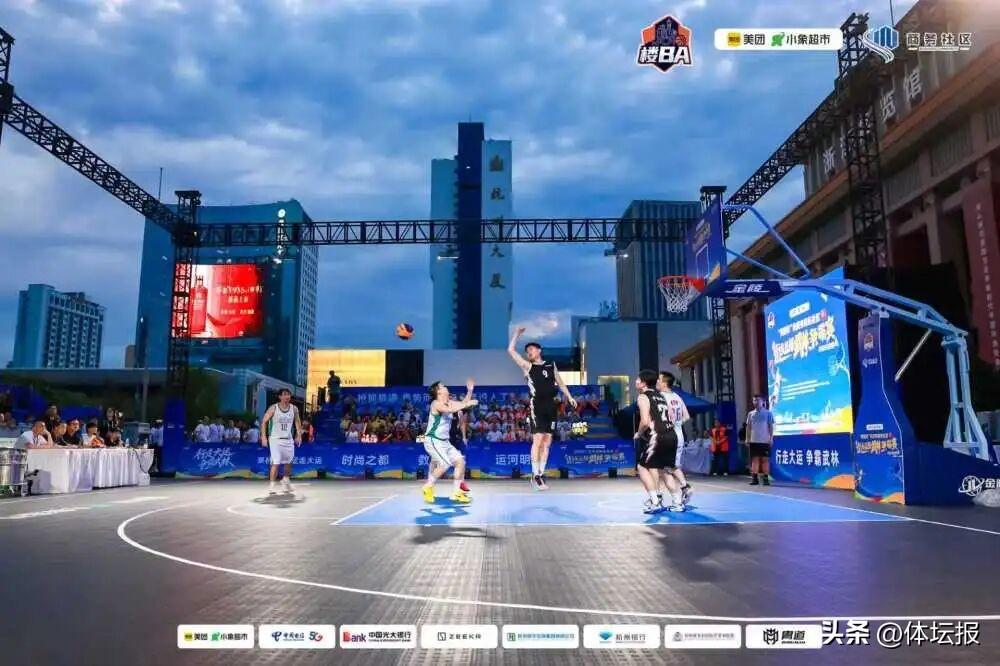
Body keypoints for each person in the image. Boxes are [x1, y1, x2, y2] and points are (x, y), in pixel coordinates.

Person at [508, 326, 577, 490]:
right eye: (527, 351)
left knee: (547, 442)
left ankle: (540, 474)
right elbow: (510, 351)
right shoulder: (528, 367)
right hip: (537, 405)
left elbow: (560, 383)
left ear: (539, 351)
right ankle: (535, 475)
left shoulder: (551, 366)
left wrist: (569, 397)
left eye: (531, 349)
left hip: (551, 406)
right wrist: (516, 334)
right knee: (537, 440)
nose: (529, 352)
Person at [420, 379, 477, 504]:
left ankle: (456, 493)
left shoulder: (449, 403)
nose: (446, 387)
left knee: (460, 462)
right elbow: (451, 410)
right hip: (433, 440)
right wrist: (468, 404)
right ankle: (428, 486)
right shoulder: (436, 404)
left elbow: (462, 404)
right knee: (444, 464)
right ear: (438, 392)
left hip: (445, 442)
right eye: (443, 386)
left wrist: (470, 391)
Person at [633, 370, 683, 513]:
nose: (636, 381)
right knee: (665, 469)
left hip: (658, 436)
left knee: (642, 467)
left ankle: (655, 501)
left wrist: (639, 433)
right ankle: (677, 502)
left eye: (638, 379)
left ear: (643, 383)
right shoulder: (660, 396)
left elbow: (644, 421)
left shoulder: (643, 396)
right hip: (671, 435)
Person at [658, 371, 694, 506]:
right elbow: (686, 416)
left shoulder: (661, 397)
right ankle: (684, 487)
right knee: (672, 466)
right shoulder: (677, 397)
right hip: (679, 435)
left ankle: (669, 498)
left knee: (662, 468)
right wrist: (677, 423)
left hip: (668, 436)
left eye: (659, 380)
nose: (657, 382)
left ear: (664, 383)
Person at [260, 388, 302, 495]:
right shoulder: (273, 408)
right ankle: (272, 485)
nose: (287, 396)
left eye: (288, 394)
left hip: (288, 439)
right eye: (285, 394)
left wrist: (299, 435)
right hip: (275, 439)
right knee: (276, 462)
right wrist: (264, 437)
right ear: (280, 397)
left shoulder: (294, 408)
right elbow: (264, 422)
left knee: (289, 462)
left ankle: (286, 480)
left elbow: (297, 422)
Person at [746, 394, 775, 486]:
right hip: (754, 440)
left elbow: (770, 426)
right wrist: (747, 438)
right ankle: (755, 479)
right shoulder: (750, 414)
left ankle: (766, 479)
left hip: (764, 441)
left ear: (762, 402)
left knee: (765, 460)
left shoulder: (768, 413)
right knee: (755, 460)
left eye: (758, 400)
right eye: (754, 400)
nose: (756, 402)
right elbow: (748, 427)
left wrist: (771, 438)